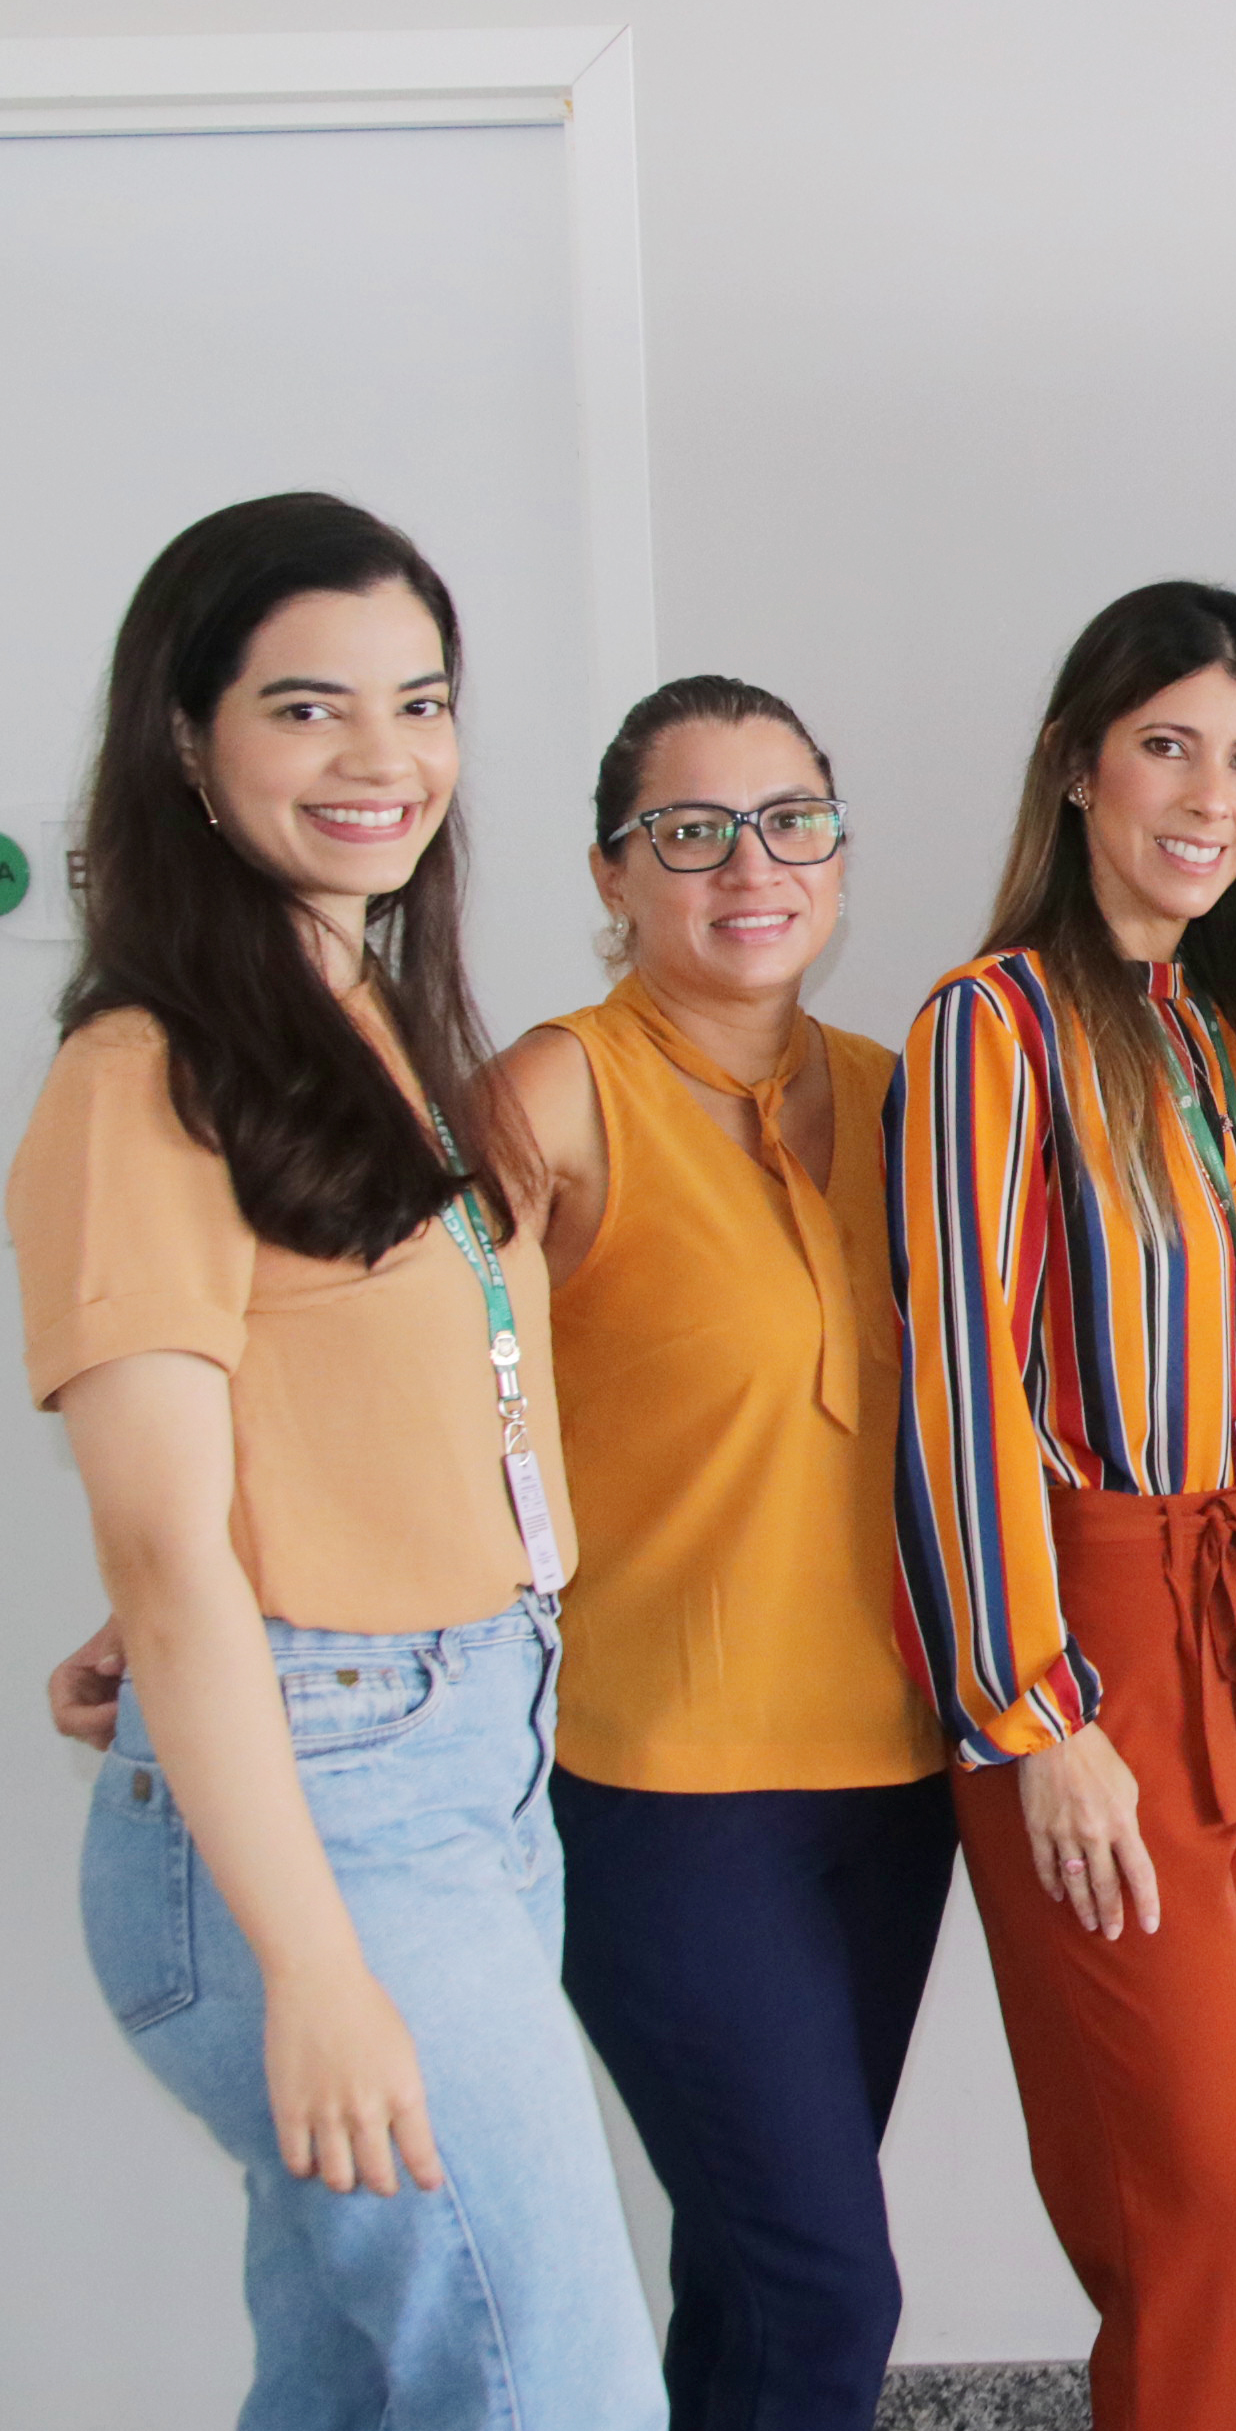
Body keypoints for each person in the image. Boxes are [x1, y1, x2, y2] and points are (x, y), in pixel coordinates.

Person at [10, 494, 658, 2426]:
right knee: (558, 2392)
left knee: (363, 2383)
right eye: (308, 708)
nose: (384, 757)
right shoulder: (141, 1074)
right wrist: (306, 1966)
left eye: (421, 702)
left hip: (466, 1759)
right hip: (331, 1819)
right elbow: (164, 1551)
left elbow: (338, 1406)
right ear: (185, 741)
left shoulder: (358, 1008)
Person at [890, 582, 1236, 2431]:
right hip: (1090, 1635)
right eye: (1169, 744)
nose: (1212, 797)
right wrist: (1033, 1716)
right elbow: (959, 1388)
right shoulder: (988, 1028)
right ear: (1079, 768)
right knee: (1194, 2207)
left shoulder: (1228, 1042)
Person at [493, 677, 953, 2431]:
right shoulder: (555, 1094)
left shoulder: (909, 1101)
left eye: (791, 822)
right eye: (691, 833)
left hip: (896, 1785)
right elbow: (372, 1361)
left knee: (758, 2277)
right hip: (663, 1800)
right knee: (826, 2286)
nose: (751, 866)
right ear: (613, 876)